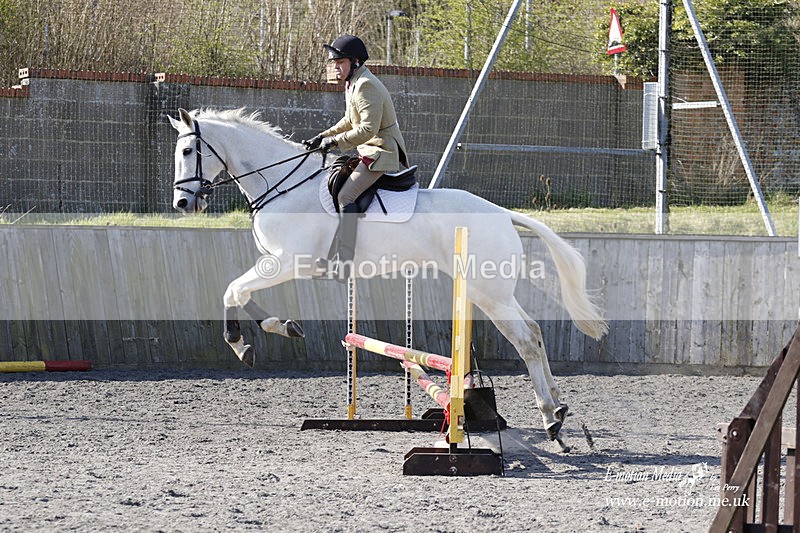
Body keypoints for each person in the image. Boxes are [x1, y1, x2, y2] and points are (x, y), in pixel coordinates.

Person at [303, 34, 409, 279]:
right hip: (368, 148)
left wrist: (335, 142)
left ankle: (345, 261)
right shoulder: (353, 83)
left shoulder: (366, 86)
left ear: (356, 62)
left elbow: (367, 129)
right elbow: (350, 120)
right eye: (334, 63)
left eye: (340, 62)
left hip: (381, 150)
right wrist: (322, 136)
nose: (336, 67)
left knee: (345, 194)